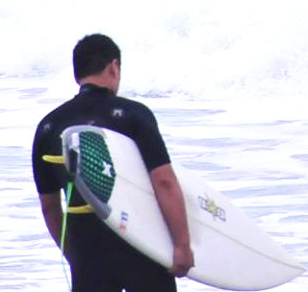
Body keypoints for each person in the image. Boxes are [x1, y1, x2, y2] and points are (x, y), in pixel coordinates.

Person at [31, 34, 193, 291]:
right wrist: (182, 245)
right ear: (114, 67)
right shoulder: (133, 115)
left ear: (77, 75)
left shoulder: (48, 127)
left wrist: (77, 258)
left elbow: (50, 208)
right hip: (141, 247)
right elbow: (164, 181)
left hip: (87, 251)